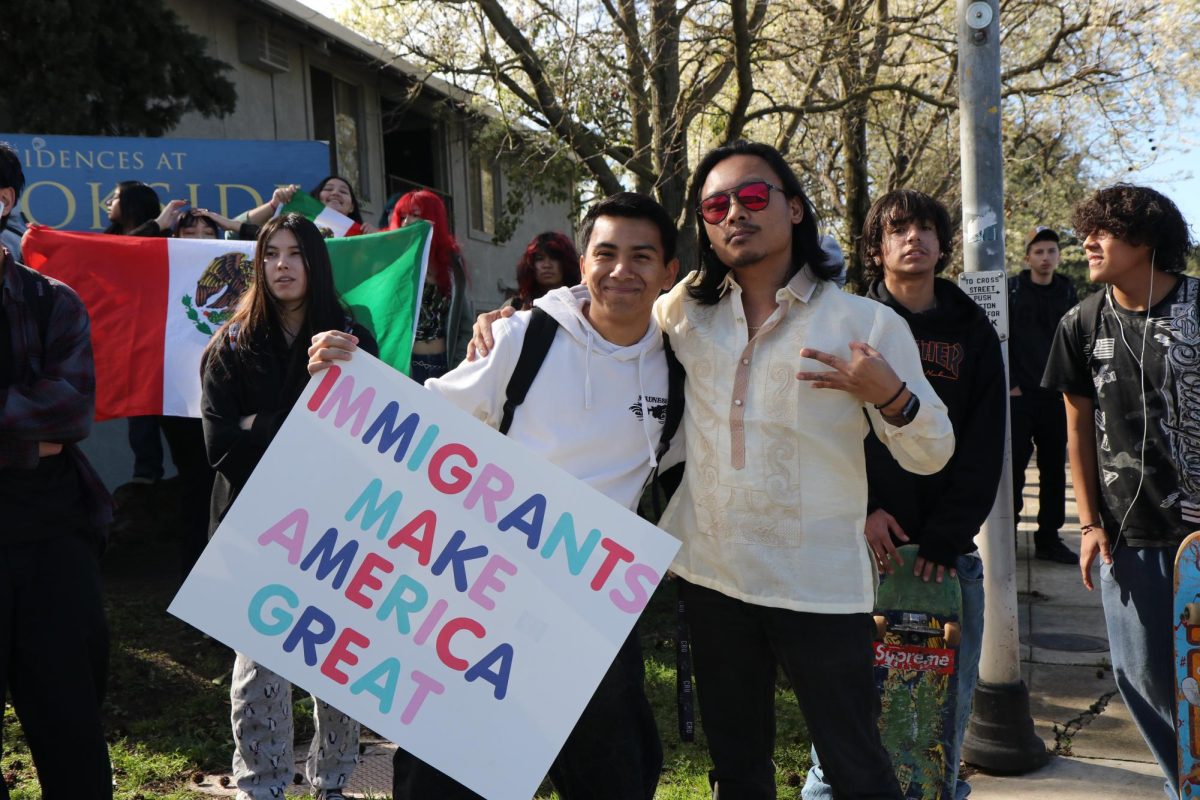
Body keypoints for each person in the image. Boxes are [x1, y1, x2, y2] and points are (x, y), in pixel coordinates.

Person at [470, 141, 954, 798]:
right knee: (737, 772)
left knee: (858, 770)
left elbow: (932, 453)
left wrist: (891, 396)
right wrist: (509, 327)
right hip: (714, 583)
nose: (736, 214)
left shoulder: (864, 324)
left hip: (820, 588)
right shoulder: (681, 316)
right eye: (716, 204)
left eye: (754, 197)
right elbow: (598, 318)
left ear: (796, 210)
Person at [310, 191, 681, 800]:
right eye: (606, 253)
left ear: (668, 272)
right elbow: (425, 417)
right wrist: (348, 375)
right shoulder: (521, 341)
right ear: (583, 262)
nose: (622, 271)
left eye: (643, 257)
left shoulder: (680, 369)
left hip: (594, 615)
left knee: (614, 780)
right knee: (442, 783)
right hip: (482, 602)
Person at [802, 190, 1005, 800]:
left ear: (943, 245)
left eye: (925, 229)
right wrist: (862, 510)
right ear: (876, 247)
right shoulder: (852, 325)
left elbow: (983, 442)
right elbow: (827, 433)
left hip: (947, 560)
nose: (913, 238)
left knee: (939, 725)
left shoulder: (973, 332)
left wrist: (947, 533)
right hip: (863, 555)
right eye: (898, 230)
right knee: (846, 720)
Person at [201, 213, 378, 800]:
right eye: (271, 253)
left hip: (338, 525)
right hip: (256, 526)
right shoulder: (230, 343)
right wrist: (297, 420)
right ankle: (261, 786)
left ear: (316, 263)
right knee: (259, 670)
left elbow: (367, 435)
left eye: (295, 252)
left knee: (337, 666)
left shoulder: (351, 338)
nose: (282, 265)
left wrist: (261, 424)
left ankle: (333, 784)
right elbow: (220, 444)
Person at [1042, 184, 1196, 800]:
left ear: (1148, 240)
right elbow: (1076, 429)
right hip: (1128, 539)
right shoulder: (1080, 322)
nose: (1089, 241)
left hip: (1198, 538)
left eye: (1105, 230)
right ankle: (1183, 786)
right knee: (1146, 680)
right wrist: (1088, 522)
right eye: (1089, 228)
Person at [0, 141, 114, 796]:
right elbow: (37, 429)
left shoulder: (53, 303)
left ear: (4, 202)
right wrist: (21, 436)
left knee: (72, 739)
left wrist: (34, 436)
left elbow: (68, 414)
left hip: (52, 546)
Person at [1009, 225, 1078, 563]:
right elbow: (995, 337)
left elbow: (1078, 342)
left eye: (1051, 251)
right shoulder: (1011, 291)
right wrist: (1010, 384)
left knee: (1054, 471)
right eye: (1039, 251)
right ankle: (1006, 537)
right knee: (1013, 469)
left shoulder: (1068, 293)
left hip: (1054, 395)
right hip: (1019, 396)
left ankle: (1048, 539)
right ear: (1027, 257)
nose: (1046, 257)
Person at [389, 189, 473, 381]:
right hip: (406, 368)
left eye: (415, 215)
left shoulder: (451, 262)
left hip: (445, 365)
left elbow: (465, 323)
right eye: (402, 216)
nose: (407, 222)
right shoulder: (393, 262)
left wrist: (459, 366)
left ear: (433, 218)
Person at [510, 231, 581, 309]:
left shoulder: (582, 302)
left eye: (554, 258)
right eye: (540, 259)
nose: (547, 265)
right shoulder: (515, 306)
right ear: (531, 264)